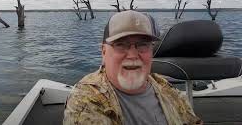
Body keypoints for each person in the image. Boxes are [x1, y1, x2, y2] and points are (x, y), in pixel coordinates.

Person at [63, 10, 203, 125]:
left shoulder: (165, 87)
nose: (132, 55)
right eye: (121, 44)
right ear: (104, 52)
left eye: (142, 45)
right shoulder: (87, 98)